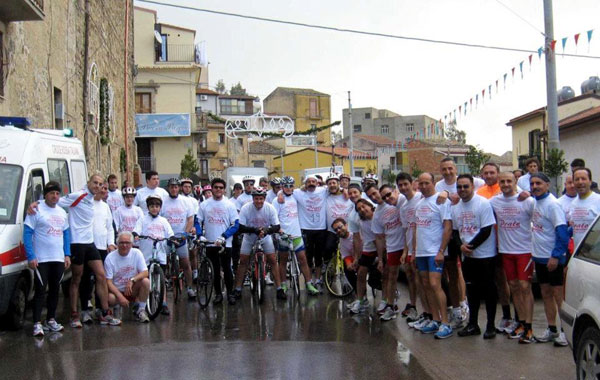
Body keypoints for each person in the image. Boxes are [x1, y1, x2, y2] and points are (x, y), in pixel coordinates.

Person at [29, 174, 120, 327]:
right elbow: (57, 200)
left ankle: (104, 312)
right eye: (94, 183)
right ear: (88, 183)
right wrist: (35, 204)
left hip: (90, 243)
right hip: (77, 243)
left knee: (101, 275)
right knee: (76, 278)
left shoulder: (93, 199)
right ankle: (74, 314)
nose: (97, 186)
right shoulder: (79, 195)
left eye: (99, 184)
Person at [491, 171, 536, 343]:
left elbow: (539, 217)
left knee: (525, 286)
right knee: (514, 286)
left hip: (524, 250)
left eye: (509, 181)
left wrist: (530, 193)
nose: (505, 184)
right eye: (502, 181)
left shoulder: (527, 200)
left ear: (515, 181)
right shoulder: (495, 201)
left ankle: (530, 327)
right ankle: (521, 323)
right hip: (506, 250)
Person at [451, 174, 498, 340]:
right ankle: (473, 324)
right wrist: (461, 247)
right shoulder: (456, 207)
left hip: (485, 255)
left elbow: (486, 230)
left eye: (465, 186)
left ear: (472, 186)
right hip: (467, 256)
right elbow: (455, 231)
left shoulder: (483, 204)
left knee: (489, 289)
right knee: (471, 291)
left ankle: (491, 325)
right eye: (459, 187)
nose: (462, 190)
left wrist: (470, 246)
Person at [24, 181, 71, 337]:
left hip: (57, 258)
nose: (55, 196)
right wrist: (31, 256)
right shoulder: (36, 210)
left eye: (57, 194)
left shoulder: (62, 212)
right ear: (45, 195)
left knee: (55, 290)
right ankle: (37, 323)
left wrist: (67, 254)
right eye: (52, 193)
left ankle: (50, 319)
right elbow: (27, 233)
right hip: (41, 258)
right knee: (40, 290)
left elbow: (66, 234)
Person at [529, 172, 569, 346]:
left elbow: (562, 232)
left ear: (547, 185)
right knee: (545, 294)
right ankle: (552, 329)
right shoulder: (535, 202)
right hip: (539, 257)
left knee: (558, 296)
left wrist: (555, 255)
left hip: (552, 258)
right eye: (532, 184)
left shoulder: (553, 205)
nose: (535, 186)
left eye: (539, 183)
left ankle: (564, 332)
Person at [414, 172, 453, 339]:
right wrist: (415, 250)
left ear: (433, 183)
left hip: (435, 252)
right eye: (421, 183)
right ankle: (435, 319)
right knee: (426, 284)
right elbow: (417, 228)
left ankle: (445, 322)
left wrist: (441, 251)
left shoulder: (442, 201)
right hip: (421, 252)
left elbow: (447, 227)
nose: (423, 186)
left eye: (426, 183)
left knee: (435, 284)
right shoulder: (420, 202)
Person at [232, 187, 283, 299]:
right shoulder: (246, 208)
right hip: (249, 237)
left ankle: (279, 289)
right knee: (243, 261)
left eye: (261, 198)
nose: (259, 201)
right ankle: (238, 289)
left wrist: (266, 231)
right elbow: (240, 227)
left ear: (264, 198)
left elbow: (277, 226)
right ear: (253, 198)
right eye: (256, 198)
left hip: (265, 237)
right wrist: (255, 230)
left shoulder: (270, 208)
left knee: (273, 260)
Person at [273, 176, 319, 296]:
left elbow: (306, 188)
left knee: (303, 260)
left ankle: (309, 284)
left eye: (290, 186)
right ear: (282, 186)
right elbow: (274, 218)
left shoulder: (297, 196)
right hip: (284, 235)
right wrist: (279, 231)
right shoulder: (277, 200)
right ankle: (283, 283)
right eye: (285, 186)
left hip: (297, 234)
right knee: (282, 261)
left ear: (293, 186)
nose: (288, 188)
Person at [197, 177, 239, 305]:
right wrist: (199, 235)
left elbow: (235, 224)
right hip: (210, 242)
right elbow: (197, 221)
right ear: (212, 188)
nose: (218, 190)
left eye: (221, 188)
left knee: (227, 269)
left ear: (224, 190)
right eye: (216, 187)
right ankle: (218, 294)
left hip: (225, 243)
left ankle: (231, 294)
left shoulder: (229, 205)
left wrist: (224, 236)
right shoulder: (204, 204)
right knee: (214, 270)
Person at [80, 183, 117, 323]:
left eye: (105, 188)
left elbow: (109, 227)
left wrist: (111, 243)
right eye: (101, 187)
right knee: (86, 279)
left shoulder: (105, 206)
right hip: (88, 245)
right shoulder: (85, 203)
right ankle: (84, 309)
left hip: (102, 247)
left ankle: (101, 308)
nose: (103, 190)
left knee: (101, 279)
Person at [133, 195, 174, 315]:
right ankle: (139, 301)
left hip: (160, 253)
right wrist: (135, 234)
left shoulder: (163, 221)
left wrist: (172, 238)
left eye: (157, 206)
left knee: (161, 278)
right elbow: (137, 229)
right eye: (152, 206)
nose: (154, 209)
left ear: (160, 208)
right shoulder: (143, 219)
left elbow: (170, 233)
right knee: (143, 278)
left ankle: (164, 302)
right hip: (146, 253)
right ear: (148, 207)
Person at [373, 184, 407, 321]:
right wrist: (380, 259)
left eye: (389, 194)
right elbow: (379, 238)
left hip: (407, 244)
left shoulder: (404, 201)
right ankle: (391, 306)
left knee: (413, 277)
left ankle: (414, 307)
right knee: (392, 277)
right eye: (384, 197)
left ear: (395, 191)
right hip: (392, 247)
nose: (387, 198)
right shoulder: (377, 214)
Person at [288, 175, 327, 291]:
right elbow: (284, 190)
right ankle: (309, 281)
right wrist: (280, 195)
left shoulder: (323, 191)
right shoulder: (298, 192)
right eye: (309, 182)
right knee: (308, 257)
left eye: (313, 181)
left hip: (321, 228)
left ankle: (318, 279)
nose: (311, 183)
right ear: (305, 184)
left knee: (319, 257)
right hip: (306, 228)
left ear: (317, 183)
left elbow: (337, 188)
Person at [392, 173, 422, 322]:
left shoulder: (421, 198)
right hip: (410, 247)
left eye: (405, 184)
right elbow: (405, 230)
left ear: (412, 183)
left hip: (423, 247)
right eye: (400, 185)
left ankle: (429, 311)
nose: (403, 187)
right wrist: (405, 251)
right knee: (411, 277)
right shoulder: (403, 207)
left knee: (423, 280)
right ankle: (413, 306)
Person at [104, 232, 150, 323]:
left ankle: (141, 310)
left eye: (127, 243)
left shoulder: (137, 253)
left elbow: (145, 272)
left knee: (146, 281)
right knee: (109, 297)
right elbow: (108, 282)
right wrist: (120, 296)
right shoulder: (110, 258)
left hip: (132, 290)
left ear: (131, 244)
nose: (124, 245)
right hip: (117, 291)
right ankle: (115, 308)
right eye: (121, 243)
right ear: (117, 244)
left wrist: (132, 280)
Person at [161, 178, 196, 299]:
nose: (174, 189)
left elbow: (190, 219)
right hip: (167, 238)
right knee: (163, 264)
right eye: (171, 187)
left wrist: (185, 234)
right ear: (168, 188)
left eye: (176, 187)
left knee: (186, 263)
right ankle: (163, 286)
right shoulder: (163, 202)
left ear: (179, 188)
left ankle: (190, 288)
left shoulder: (185, 201)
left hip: (181, 237)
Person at [348, 199, 382, 314]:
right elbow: (359, 240)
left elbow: (379, 239)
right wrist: (357, 258)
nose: (362, 210)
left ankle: (389, 300)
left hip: (382, 247)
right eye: (359, 209)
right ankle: (361, 300)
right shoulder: (361, 222)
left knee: (381, 275)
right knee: (361, 273)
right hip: (369, 248)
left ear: (370, 206)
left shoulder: (378, 216)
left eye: (363, 207)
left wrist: (380, 258)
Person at [323, 174, 354, 290]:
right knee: (328, 248)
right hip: (332, 230)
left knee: (347, 253)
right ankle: (328, 265)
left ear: (338, 184)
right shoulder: (326, 195)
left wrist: (345, 190)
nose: (332, 185)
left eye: (334, 183)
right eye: (330, 183)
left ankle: (348, 275)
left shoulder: (348, 195)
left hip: (346, 230)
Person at [569, 168, 600, 247]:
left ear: (590, 181)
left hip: (594, 254)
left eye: (583, 179)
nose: (580, 182)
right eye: (577, 179)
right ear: (573, 182)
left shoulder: (598, 200)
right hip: (579, 254)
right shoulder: (573, 203)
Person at [331, 218, 358, 292]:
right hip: (354, 259)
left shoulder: (354, 233)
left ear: (346, 225)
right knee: (347, 269)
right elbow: (346, 255)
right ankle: (359, 294)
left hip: (365, 255)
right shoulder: (342, 241)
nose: (338, 230)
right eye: (336, 230)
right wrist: (349, 264)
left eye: (340, 227)